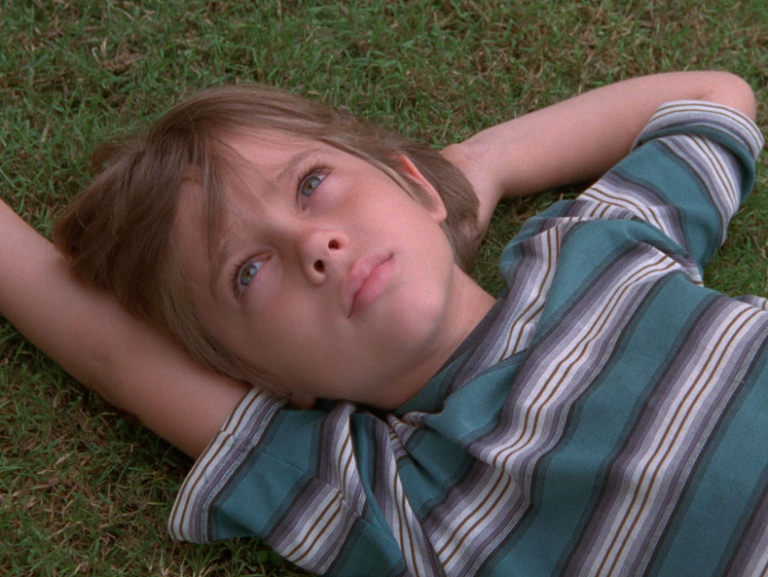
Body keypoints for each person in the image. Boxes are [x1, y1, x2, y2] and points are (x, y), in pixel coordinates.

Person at [0, 71, 764, 576]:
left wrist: (480, 163)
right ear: (261, 379)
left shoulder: (590, 247)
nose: (313, 244)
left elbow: (716, 97)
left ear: (413, 184)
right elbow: (108, 352)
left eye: (310, 183)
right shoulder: (381, 489)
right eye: (248, 272)